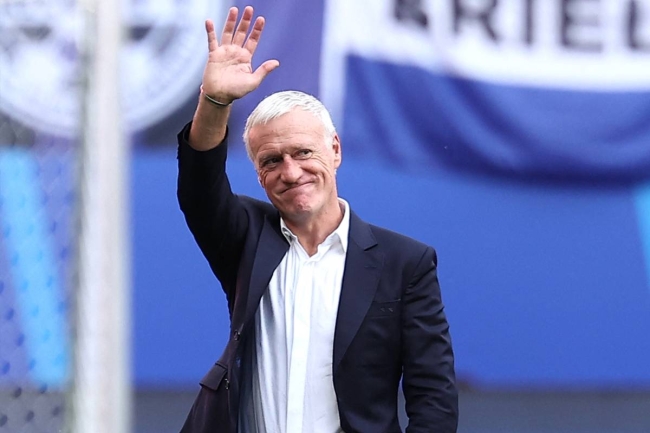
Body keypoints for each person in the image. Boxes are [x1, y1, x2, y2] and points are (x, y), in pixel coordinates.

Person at [177, 6, 458, 433]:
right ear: (258, 174)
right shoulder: (245, 237)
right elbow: (199, 188)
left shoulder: (405, 263)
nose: (291, 172)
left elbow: (433, 398)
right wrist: (215, 102)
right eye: (272, 160)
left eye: (303, 153)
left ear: (335, 150)